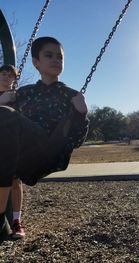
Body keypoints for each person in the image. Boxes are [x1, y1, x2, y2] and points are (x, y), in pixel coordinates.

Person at [0, 37, 89, 239]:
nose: (56, 60)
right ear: (35, 62)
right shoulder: (24, 93)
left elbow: (76, 141)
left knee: (4, 113)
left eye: (60, 57)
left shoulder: (71, 95)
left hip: (52, 150)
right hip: (26, 155)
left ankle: (7, 219)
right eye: (49, 55)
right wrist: (4, 101)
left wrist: (81, 114)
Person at [0, 64, 25, 239]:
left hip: (13, 144)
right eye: (3, 74)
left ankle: (17, 222)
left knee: (15, 182)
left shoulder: (18, 98)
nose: (7, 77)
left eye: (11, 76)